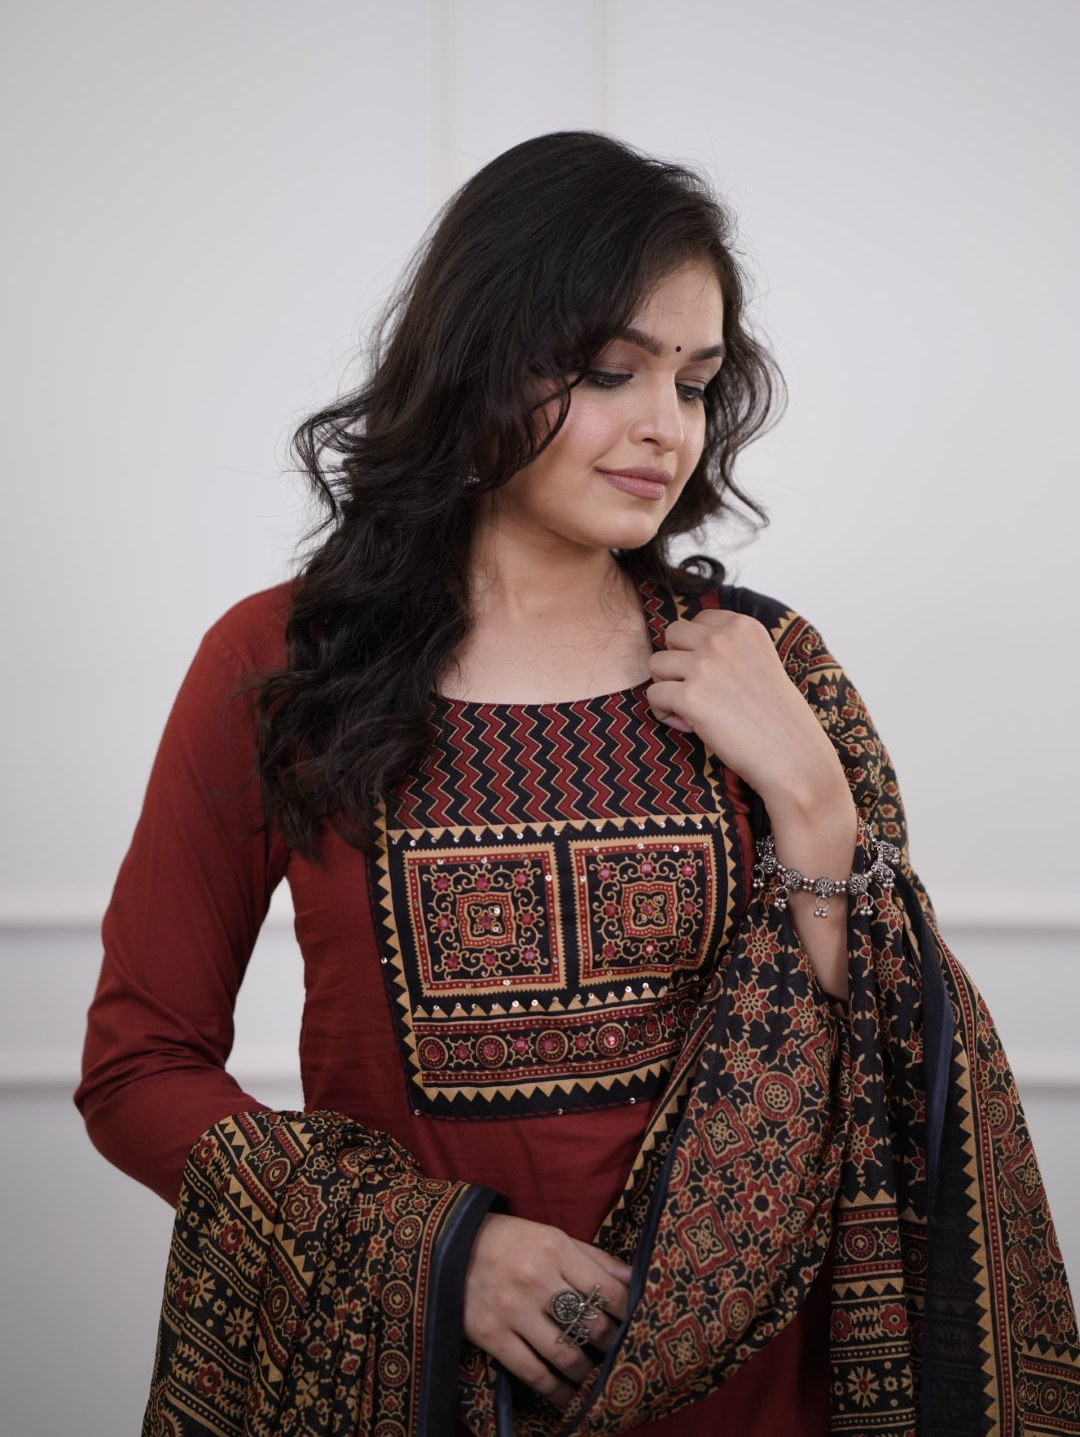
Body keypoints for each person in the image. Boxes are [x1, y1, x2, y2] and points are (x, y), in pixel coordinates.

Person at [77, 132, 1079, 1436]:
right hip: (426, 1386)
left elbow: (891, 1068)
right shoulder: (282, 663)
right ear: (479, 357)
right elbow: (138, 1067)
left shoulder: (764, 666)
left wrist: (814, 804)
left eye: (696, 382)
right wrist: (449, 1255)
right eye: (613, 370)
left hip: (754, 1393)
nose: (668, 426)